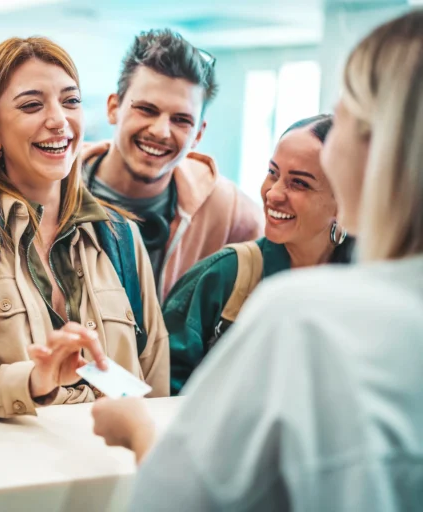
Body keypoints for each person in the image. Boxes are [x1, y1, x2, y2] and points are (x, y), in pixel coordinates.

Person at [92, 10, 423, 511]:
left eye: (346, 115)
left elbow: (177, 495)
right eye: (273, 174)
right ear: (114, 107)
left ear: (377, 147)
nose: (276, 193)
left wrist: (138, 427)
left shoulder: (300, 315)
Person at [0, 37, 170, 417]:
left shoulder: (121, 236)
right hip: (6, 472)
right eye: (32, 105)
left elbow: (155, 395)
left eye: (70, 101)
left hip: (109, 469)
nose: (59, 120)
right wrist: (30, 383)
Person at [166, 114, 354, 394]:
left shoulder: (373, 288)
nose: (273, 194)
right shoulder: (222, 277)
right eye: (273, 173)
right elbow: (161, 392)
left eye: (299, 183)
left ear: (345, 201)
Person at [82, 29, 263, 304]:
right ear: (113, 108)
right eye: (147, 109)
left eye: (181, 119)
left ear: (198, 134)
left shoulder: (229, 212)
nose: (161, 131)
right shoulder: (52, 183)